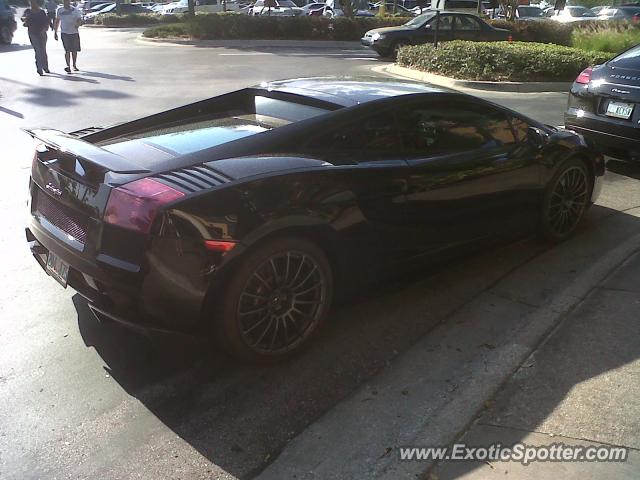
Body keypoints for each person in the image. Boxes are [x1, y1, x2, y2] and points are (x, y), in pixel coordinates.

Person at [21, 0, 50, 76]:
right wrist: (24, 19)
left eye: (34, 2)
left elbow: (46, 22)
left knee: (43, 50)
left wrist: (44, 30)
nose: (32, 4)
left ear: (37, 3)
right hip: (32, 33)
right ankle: (39, 68)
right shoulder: (28, 11)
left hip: (42, 33)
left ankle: (45, 67)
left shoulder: (41, 12)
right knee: (38, 50)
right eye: (31, 2)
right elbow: (23, 18)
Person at [53, 0, 82, 73]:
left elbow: (79, 19)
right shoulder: (60, 10)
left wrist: (77, 24)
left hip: (74, 32)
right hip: (64, 32)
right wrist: (55, 32)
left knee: (74, 50)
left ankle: (74, 65)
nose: (66, 2)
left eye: (67, 1)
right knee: (67, 50)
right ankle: (68, 66)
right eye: (65, 1)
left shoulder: (75, 10)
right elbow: (57, 21)